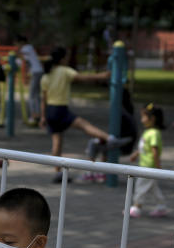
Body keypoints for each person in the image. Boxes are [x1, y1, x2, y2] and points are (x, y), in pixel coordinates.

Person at [40, 46, 120, 182]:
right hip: (61, 109)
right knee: (84, 125)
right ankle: (110, 138)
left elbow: (44, 99)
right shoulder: (65, 71)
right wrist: (102, 75)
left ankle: (57, 172)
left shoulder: (46, 76)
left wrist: (43, 117)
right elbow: (83, 78)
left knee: (56, 143)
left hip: (50, 111)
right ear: (63, 58)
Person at [83, 88, 137, 182]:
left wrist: (103, 138)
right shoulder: (127, 108)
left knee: (93, 143)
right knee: (101, 143)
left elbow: (117, 134)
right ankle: (100, 172)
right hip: (127, 142)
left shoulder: (120, 112)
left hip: (124, 143)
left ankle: (91, 173)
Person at [128, 103, 168, 218]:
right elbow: (144, 147)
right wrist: (136, 154)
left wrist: (158, 166)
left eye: (143, 117)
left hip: (149, 167)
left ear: (152, 118)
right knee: (153, 188)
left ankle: (136, 207)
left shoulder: (154, 133)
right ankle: (161, 207)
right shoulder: (148, 132)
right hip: (145, 166)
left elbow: (154, 151)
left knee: (141, 186)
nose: (141, 120)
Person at [16, 36, 44, 126]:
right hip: (38, 71)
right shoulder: (29, 49)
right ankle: (38, 114)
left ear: (21, 42)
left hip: (36, 72)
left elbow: (21, 53)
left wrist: (15, 52)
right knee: (36, 95)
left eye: (17, 44)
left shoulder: (27, 47)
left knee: (32, 95)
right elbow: (22, 60)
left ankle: (34, 116)